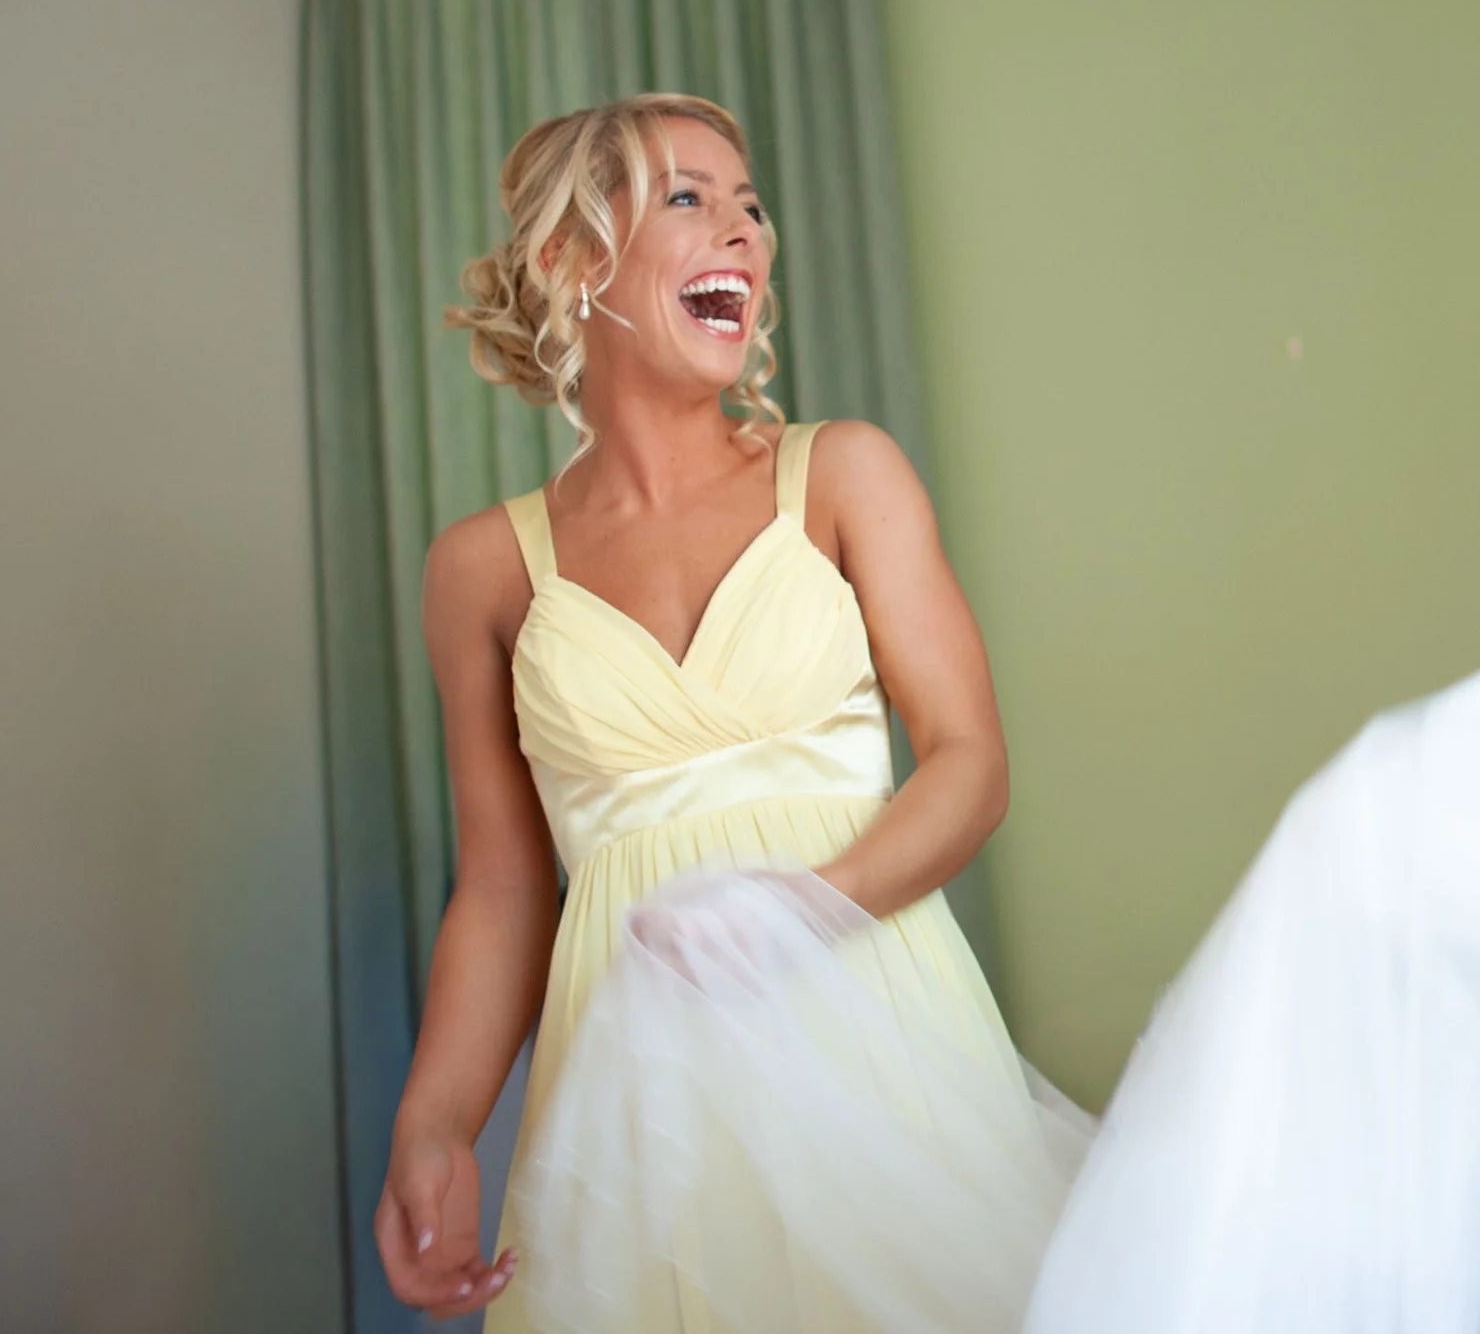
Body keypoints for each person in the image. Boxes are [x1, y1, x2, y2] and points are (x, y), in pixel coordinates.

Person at [368, 94, 1021, 1328]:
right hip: (635, 1102)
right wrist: (435, 1118)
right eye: (688, 197)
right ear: (572, 261)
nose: (743, 232)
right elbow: (504, 887)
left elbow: (969, 762)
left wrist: (801, 908)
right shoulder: (481, 571)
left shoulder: (844, 475)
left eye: (751, 207)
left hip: (877, 1047)